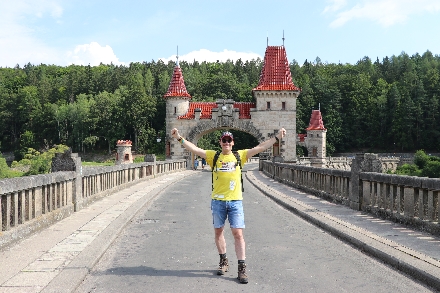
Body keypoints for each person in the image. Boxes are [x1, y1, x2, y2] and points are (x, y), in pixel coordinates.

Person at [171, 127, 286, 284]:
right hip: (218, 201)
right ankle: (223, 260)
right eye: (224, 140)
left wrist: (277, 137)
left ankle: (242, 267)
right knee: (218, 232)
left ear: (233, 143)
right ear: (220, 143)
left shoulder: (240, 156)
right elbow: (195, 149)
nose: (226, 142)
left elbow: (260, 147)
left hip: (235, 201)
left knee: (237, 233)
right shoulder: (214, 156)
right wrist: (179, 137)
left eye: (229, 140)